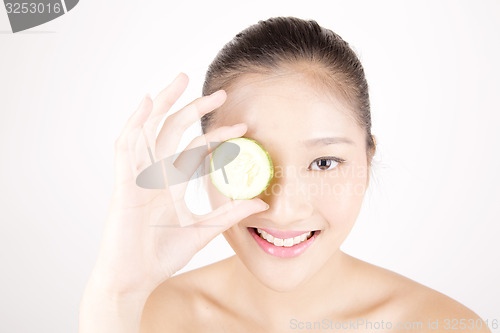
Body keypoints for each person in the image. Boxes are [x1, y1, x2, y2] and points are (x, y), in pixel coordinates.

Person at [79, 16, 491, 333]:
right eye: (244, 161)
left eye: (324, 163)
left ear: (367, 162)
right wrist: (117, 294)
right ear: (203, 166)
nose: (284, 209)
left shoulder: (443, 324)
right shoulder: (143, 317)